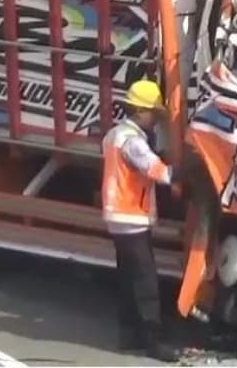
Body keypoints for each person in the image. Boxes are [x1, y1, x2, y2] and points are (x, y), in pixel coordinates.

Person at [102, 79, 179, 362]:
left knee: (127, 277)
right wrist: (183, 172)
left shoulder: (113, 135)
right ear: (141, 111)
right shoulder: (133, 141)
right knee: (146, 281)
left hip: (117, 217)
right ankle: (154, 342)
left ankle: (128, 333)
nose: (155, 120)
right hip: (131, 216)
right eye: (154, 114)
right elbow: (155, 170)